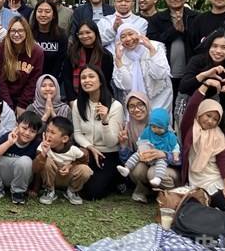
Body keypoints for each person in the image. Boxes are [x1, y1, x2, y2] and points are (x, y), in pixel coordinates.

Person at [71, 65, 125, 200]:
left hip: (108, 154)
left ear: (100, 81)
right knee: (79, 183)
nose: (86, 80)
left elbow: (112, 142)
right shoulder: (78, 104)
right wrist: (90, 147)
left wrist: (105, 121)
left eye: (91, 76)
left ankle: (117, 179)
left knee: (93, 193)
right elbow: (77, 133)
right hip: (87, 153)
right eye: (83, 77)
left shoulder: (115, 106)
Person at [180, 80, 225, 213]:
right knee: (192, 208)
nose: (210, 121)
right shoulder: (189, 128)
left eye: (215, 119)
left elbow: (223, 161)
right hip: (194, 179)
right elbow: (192, 106)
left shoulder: (218, 135)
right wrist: (205, 85)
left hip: (213, 177)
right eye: (208, 115)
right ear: (200, 113)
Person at [117, 92, 179, 203]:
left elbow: (180, 158)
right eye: (131, 106)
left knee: (153, 172)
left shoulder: (161, 122)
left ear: (147, 105)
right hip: (147, 163)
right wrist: (124, 144)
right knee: (136, 169)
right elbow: (125, 160)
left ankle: (171, 195)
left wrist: (165, 154)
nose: (136, 109)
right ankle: (146, 191)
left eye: (140, 104)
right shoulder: (128, 127)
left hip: (167, 167)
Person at [147, 0, 199, 100]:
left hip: (191, 74)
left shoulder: (196, 18)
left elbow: (200, 43)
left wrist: (183, 31)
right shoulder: (156, 19)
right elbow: (153, 43)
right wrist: (174, 30)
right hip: (165, 75)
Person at [179, 29, 225, 116]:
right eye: (214, 46)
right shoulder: (197, 61)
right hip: (192, 106)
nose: (218, 51)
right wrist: (205, 75)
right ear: (209, 46)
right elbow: (183, 87)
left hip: (218, 112)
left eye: (224, 47)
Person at [0, 110, 43, 205]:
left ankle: (18, 193)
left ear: (36, 133)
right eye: (24, 128)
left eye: (32, 131)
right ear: (17, 125)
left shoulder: (37, 144)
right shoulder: (8, 136)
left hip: (23, 178)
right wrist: (9, 143)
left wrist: (35, 189)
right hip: (4, 175)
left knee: (26, 160)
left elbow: (38, 169)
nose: (27, 133)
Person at [112, 25, 173, 114]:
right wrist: (118, 60)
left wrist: (151, 49)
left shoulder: (155, 46)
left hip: (160, 98)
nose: (128, 39)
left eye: (131, 34)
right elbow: (126, 85)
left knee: (158, 125)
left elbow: (160, 74)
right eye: (123, 36)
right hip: (135, 104)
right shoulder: (119, 54)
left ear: (138, 34)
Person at [34, 117, 90, 206]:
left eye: (52, 132)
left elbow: (84, 161)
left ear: (64, 139)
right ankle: (49, 190)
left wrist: (70, 165)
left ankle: (72, 191)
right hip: (51, 178)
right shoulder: (42, 147)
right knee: (46, 161)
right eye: (47, 131)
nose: (48, 135)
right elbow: (36, 169)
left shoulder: (73, 150)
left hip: (68, 177)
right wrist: (43, 154)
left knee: (85, 169)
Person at [0, 17, 44, 114]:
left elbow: (34, 81)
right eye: (13, 31)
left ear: (27, 32)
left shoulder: (37, 52)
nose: (16, 34)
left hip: (27, 99)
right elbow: (0, 81)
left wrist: (22, 104)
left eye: (20, 30)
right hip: (4, 98)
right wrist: (8, 106)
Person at [64, 21, 114, 103]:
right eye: (81, 33)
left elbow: (105, 81)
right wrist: (72, 100)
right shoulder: (72, 53)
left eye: (88, 32)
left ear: (95, 33)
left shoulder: (106, 55)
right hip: (76, 99)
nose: (85, 36)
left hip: (100, 99)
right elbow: (67, 79)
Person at [30, 0, 68, 82]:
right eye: (39, 11)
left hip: (53, 82)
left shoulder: (61, 36)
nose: (43, 14)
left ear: (54, 14)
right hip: (30, 82)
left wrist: (52, 81)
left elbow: (61, 63)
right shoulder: (28, 34)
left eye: (47, 11)